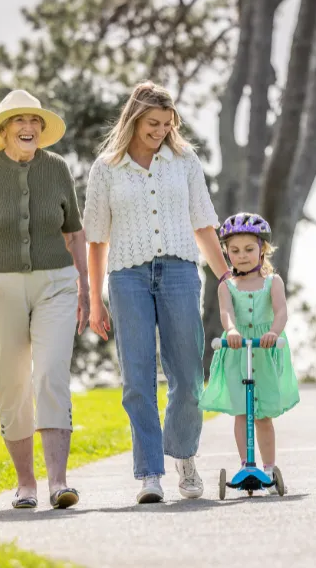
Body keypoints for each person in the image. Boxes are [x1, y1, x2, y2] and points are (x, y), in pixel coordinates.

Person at [84, 81, 231, 504]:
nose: (160, 131)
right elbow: (96, 240)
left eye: (167, 124)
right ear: (133, 120)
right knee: (136, 380)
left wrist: (226, 279)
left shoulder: (184, 162)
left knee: (187, 377)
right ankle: (150, 473)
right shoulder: (106, 168)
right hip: (126, 278)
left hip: (180, 273)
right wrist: (95, 301)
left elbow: (204, 224)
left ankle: (184, 458)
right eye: (152, 123)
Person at [0, 89, 89, 510]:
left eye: (35, 120)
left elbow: (75, 233)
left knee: (50, 374)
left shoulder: (58, 168)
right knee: (13, 384)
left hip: (56, 284)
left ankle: (59, 484)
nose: (28, 127)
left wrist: (85, 286)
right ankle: (26, 484)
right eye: (19, 121)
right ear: (4, 130)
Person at [198, 212, 300, 490]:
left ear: (262, 249)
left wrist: (273, 333)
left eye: (249, 249)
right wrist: (231, 331)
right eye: (234, 250)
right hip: (238, 352)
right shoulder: (227, 286)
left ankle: (268, 466)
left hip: (265, 352)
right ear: (226, 253)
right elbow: (226, 313)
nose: (242, 255)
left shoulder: (272, 282)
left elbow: (281, 312)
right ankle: (246, 464)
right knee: (242, 412)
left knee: (263, 414)